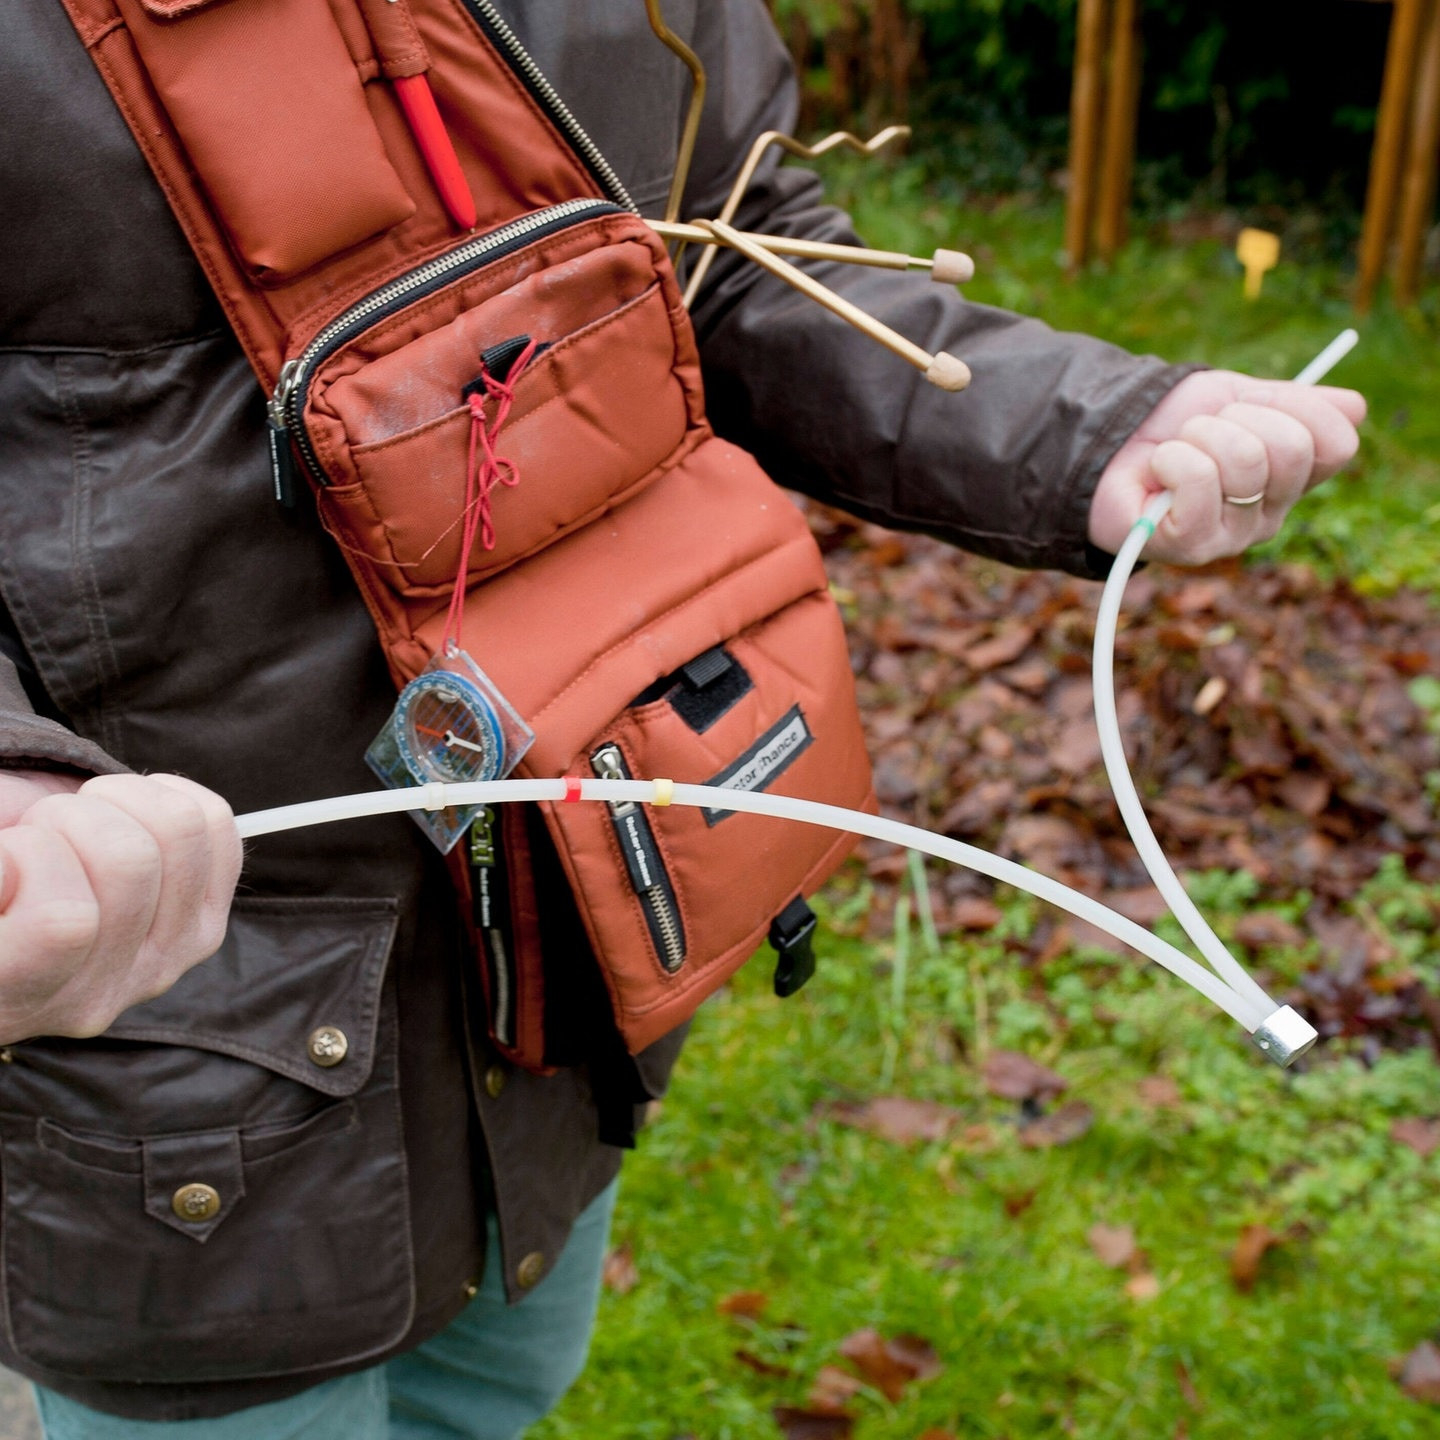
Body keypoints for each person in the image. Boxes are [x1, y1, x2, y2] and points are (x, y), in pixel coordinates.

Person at [0, 0, 1363, 1435]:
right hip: (188, 1057)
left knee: (498, 1392)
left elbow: (733, 252)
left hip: (557, 962)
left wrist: (1091, 427)